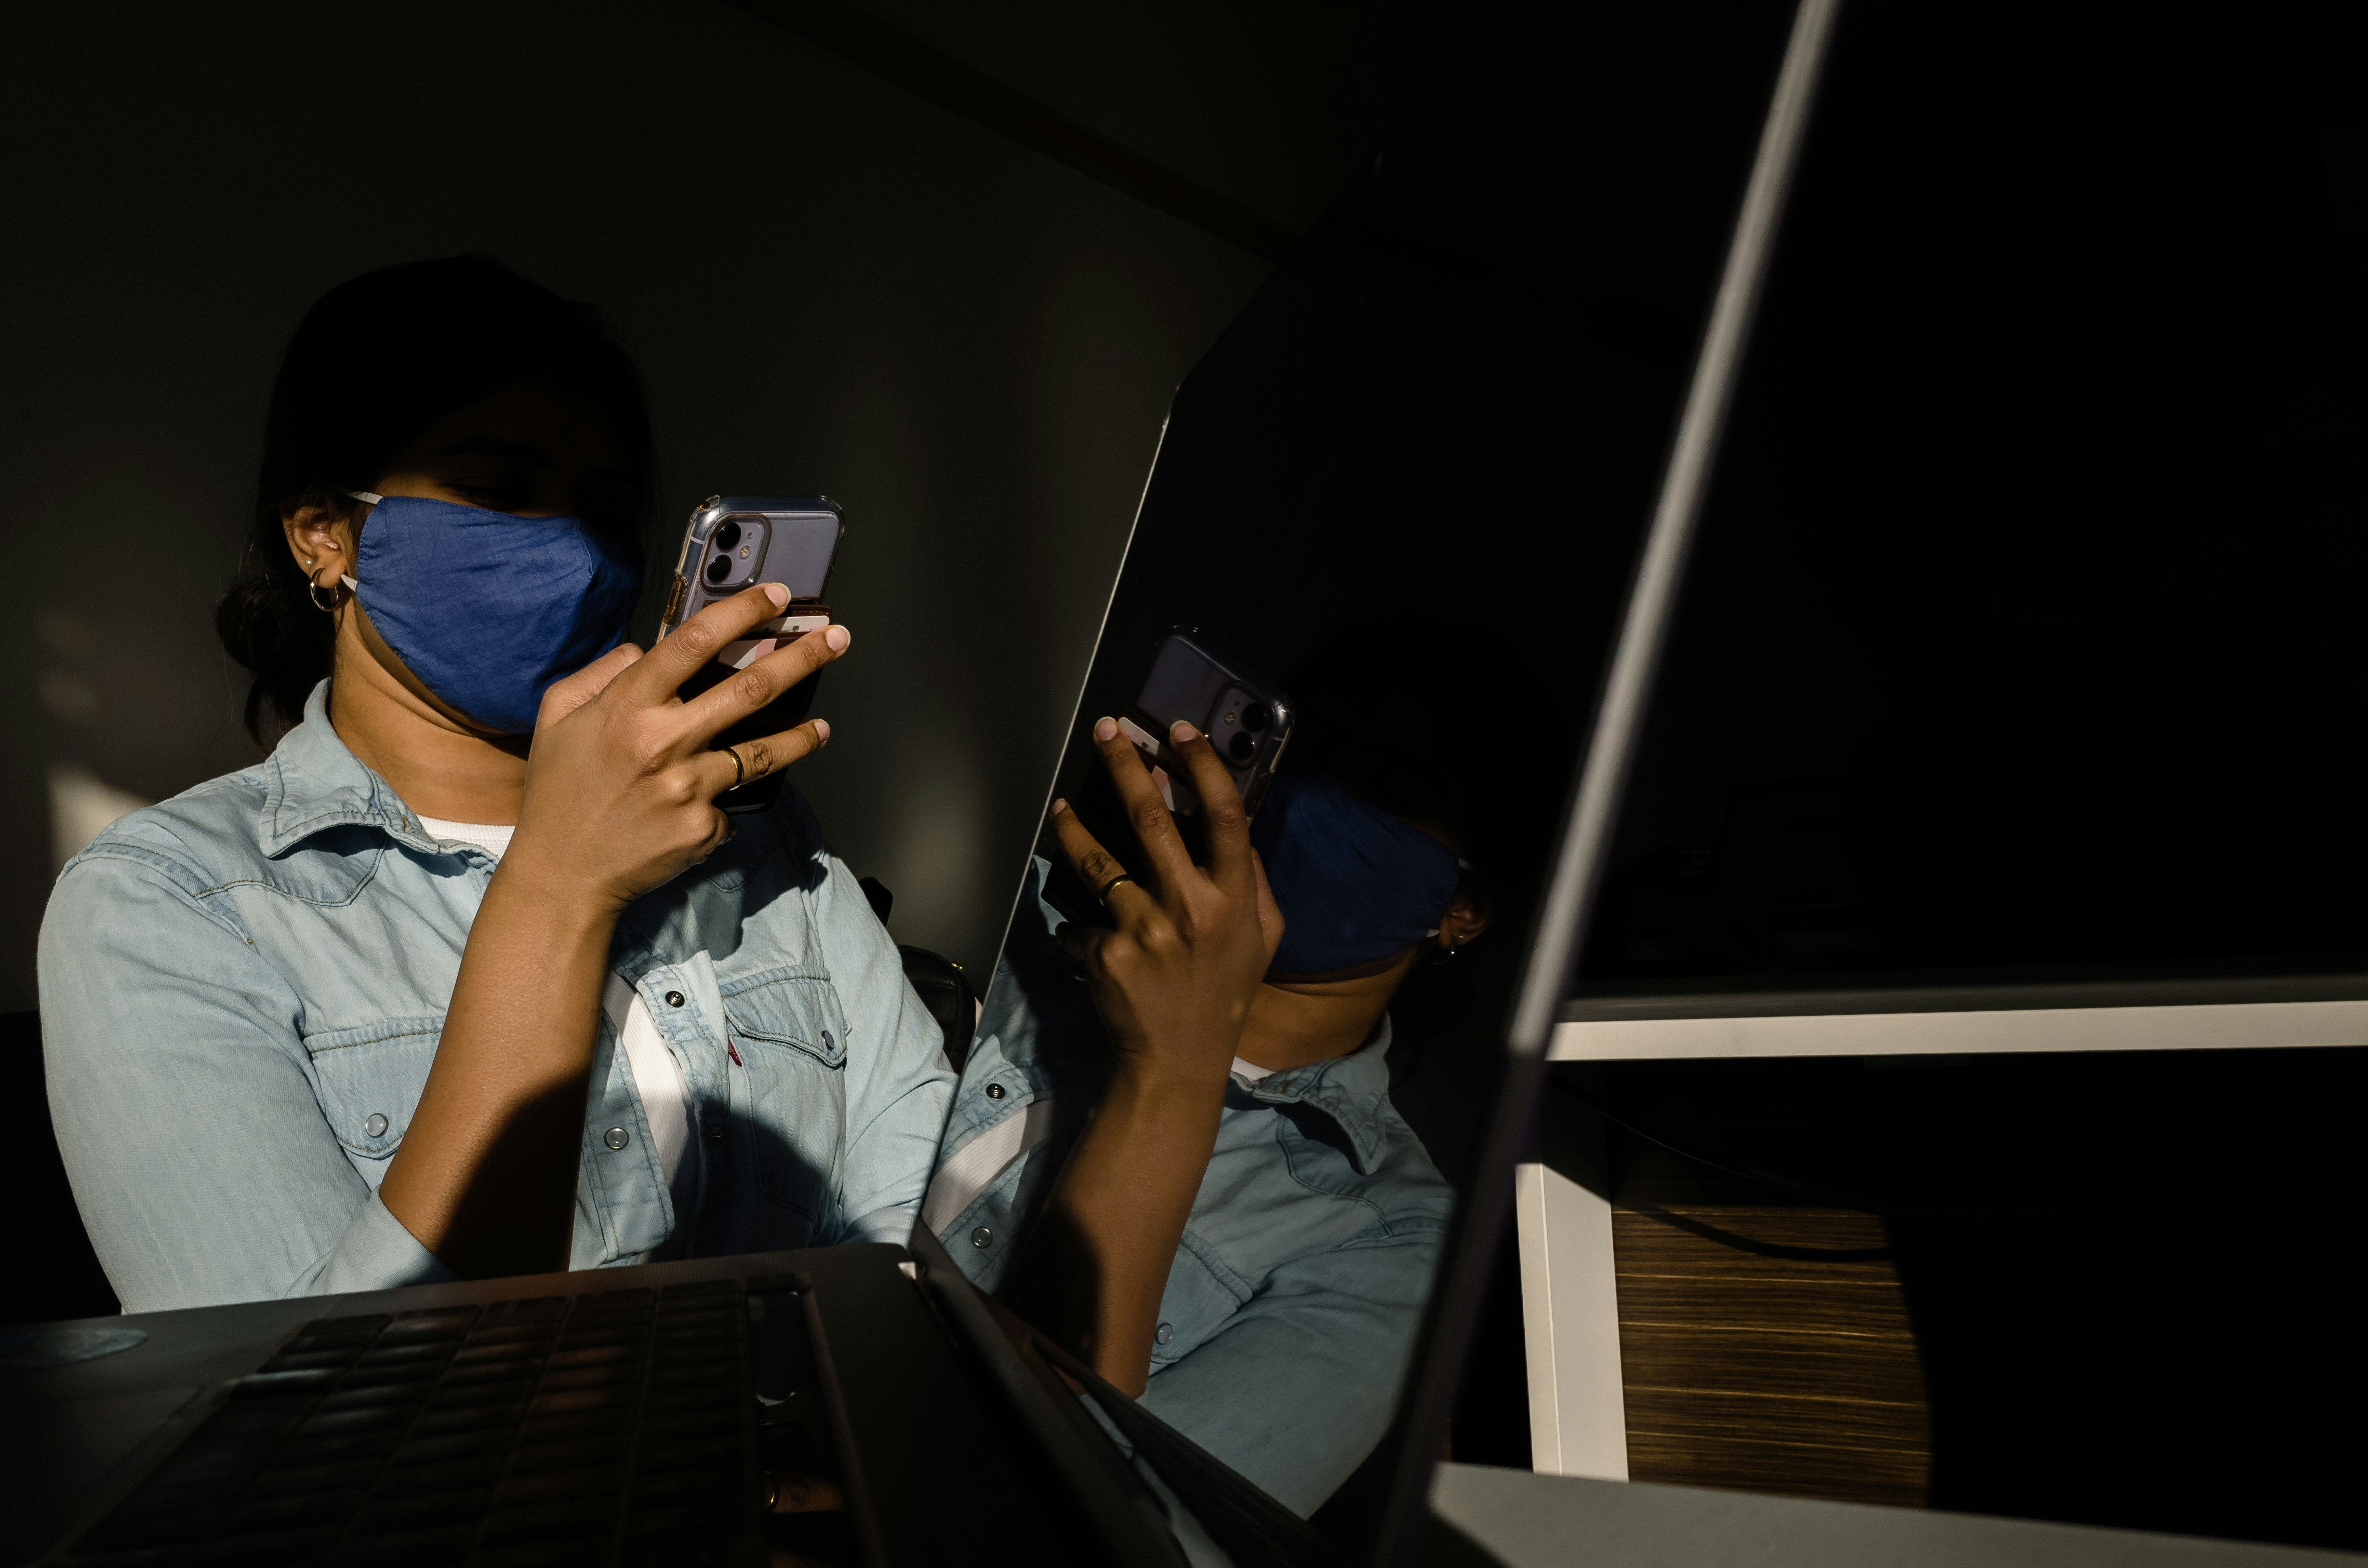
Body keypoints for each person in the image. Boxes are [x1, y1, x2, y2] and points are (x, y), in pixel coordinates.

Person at [38, 257, 953, 1314]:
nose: (565, 547)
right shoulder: (167, 902)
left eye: (602, 508)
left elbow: (913, 1252)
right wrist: (557, 889)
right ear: (322, 533)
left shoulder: (750, 833)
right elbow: (300, 1419)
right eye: (495, 489)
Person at [923, 640, 1516, 1515]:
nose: (1325, 803)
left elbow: (1120, 1534)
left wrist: (1176, 1063)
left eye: (1393, 797)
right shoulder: (1014, 909)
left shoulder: (1391, 1240)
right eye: (1317, 758)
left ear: (1461, 913)